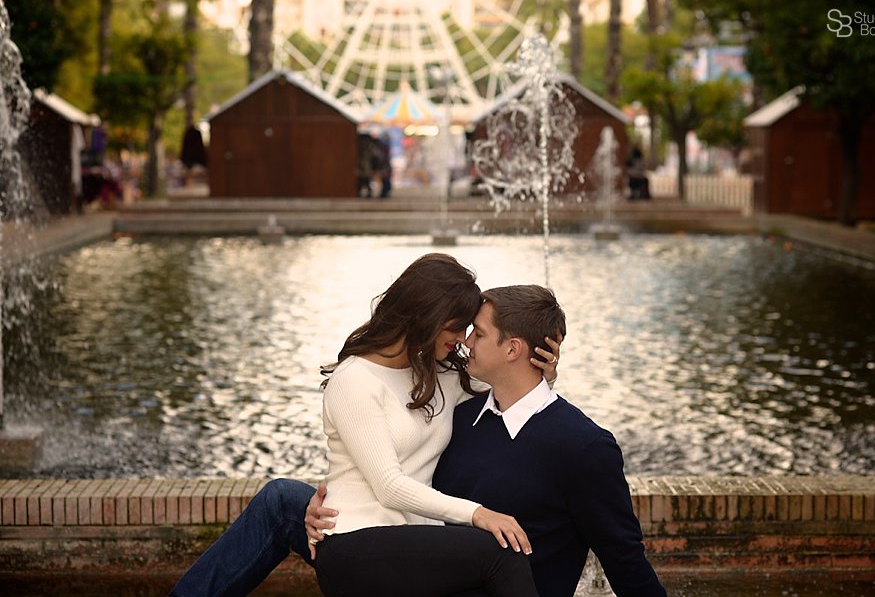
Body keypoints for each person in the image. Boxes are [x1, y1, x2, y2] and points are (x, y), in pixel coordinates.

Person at [169, 254, 560, 597]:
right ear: (429, 317)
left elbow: (508, 386)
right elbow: (388, 486)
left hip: (411, 539)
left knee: (282, 497)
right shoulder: (355, 381)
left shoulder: (438, 372)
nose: (464, 340)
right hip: (356, 542)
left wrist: (543, 369)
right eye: (458, 326)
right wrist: (478, 513)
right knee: (497, 553)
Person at [309, 285, 667, 597]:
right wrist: (328, 496)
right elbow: (399, 471)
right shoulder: (461, 419)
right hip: (415, 583)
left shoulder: (583, 447)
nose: (464, 343)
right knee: (283, 499)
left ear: (512, 349)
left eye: (477, 334)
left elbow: (624, 558)